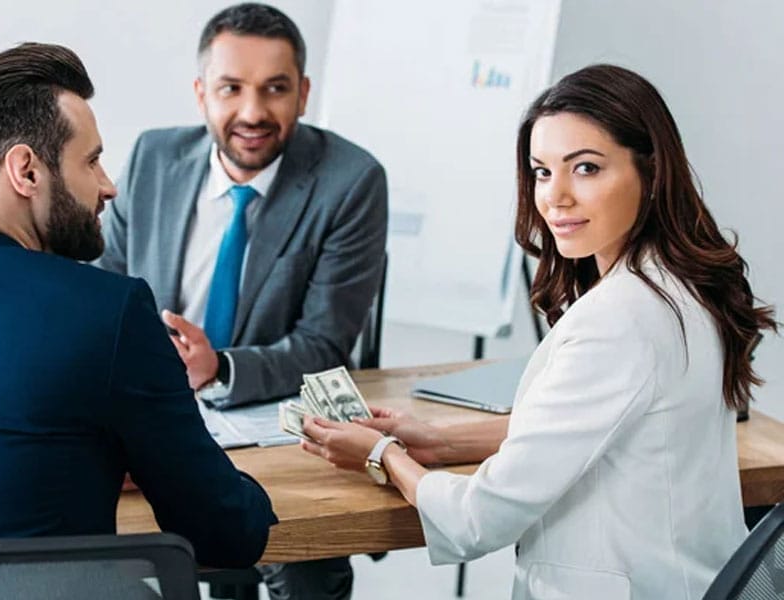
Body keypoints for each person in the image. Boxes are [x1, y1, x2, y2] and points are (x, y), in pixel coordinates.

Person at [301, 64, 777, 600]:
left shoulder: (619, 320)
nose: (556, 197)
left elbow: (479, 518)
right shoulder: (680, 286)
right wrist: (435, 439)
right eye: (542, 171)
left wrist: (383, 453)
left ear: (652, 172)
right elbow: (587, 430)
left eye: (587, 168)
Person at [95, 4, 386, 598]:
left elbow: (324, 342)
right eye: (232, 88)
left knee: (304, 563)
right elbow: (106, 290)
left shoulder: (350, 181)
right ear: (202, 92)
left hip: (282, 430)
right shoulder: (153, 158)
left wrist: (219, 367)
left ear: (303, 94)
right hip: (161, 419)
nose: (253, 113)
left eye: (275, 89)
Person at [0, 42, 276, 567]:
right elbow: (226, 533)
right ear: (26, 171)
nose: (109, 186)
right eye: (91, 161)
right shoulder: (105, 313)